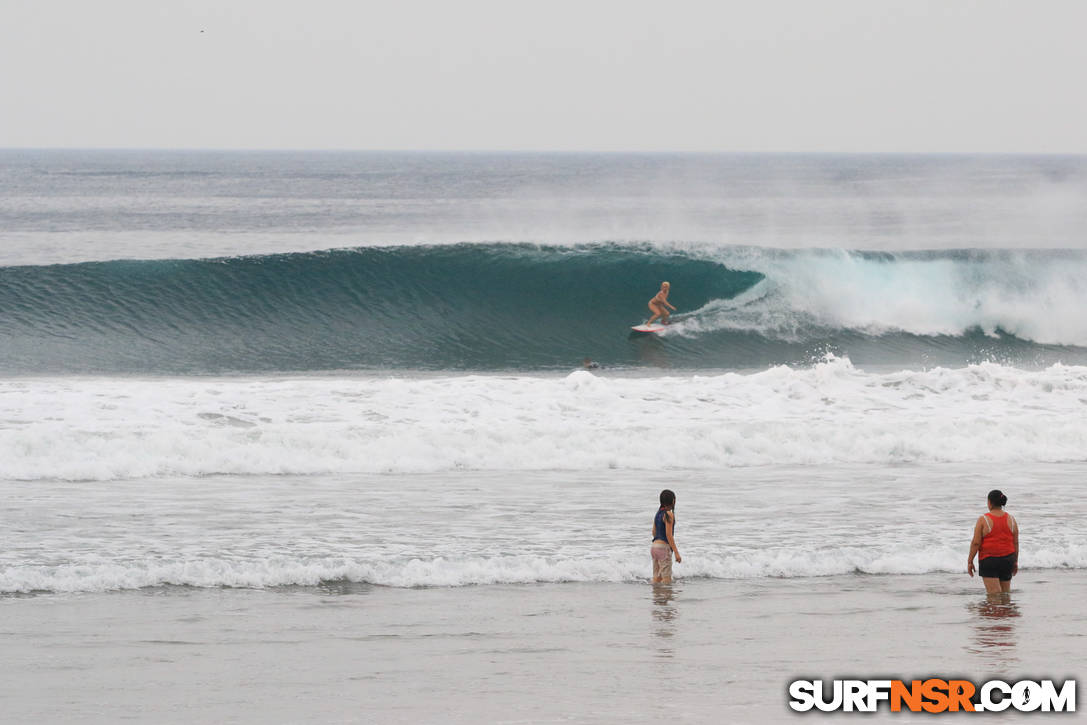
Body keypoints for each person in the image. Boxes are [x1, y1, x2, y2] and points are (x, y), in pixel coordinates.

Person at [967, 489, 1019, 594]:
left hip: (989, 560)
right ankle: (1005, 610)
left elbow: (976, 543)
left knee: (994, 594)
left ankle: (994, 610)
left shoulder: (983, 519)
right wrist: (1015, 561)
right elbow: (1015, 543)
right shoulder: (1012, 519)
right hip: (1008, 560)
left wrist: (970, 561)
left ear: (989, 503)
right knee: (1005, 594)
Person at [651, 489, 681, 583]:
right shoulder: (669, 514)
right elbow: (669, 535)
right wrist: (676, 552)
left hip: (654, 547)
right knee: (667, 579)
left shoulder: (658, 513)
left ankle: (656, 596)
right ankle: (667, 597)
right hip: (663, 548)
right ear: (673, 501)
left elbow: (653, 532)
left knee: (656, 578)